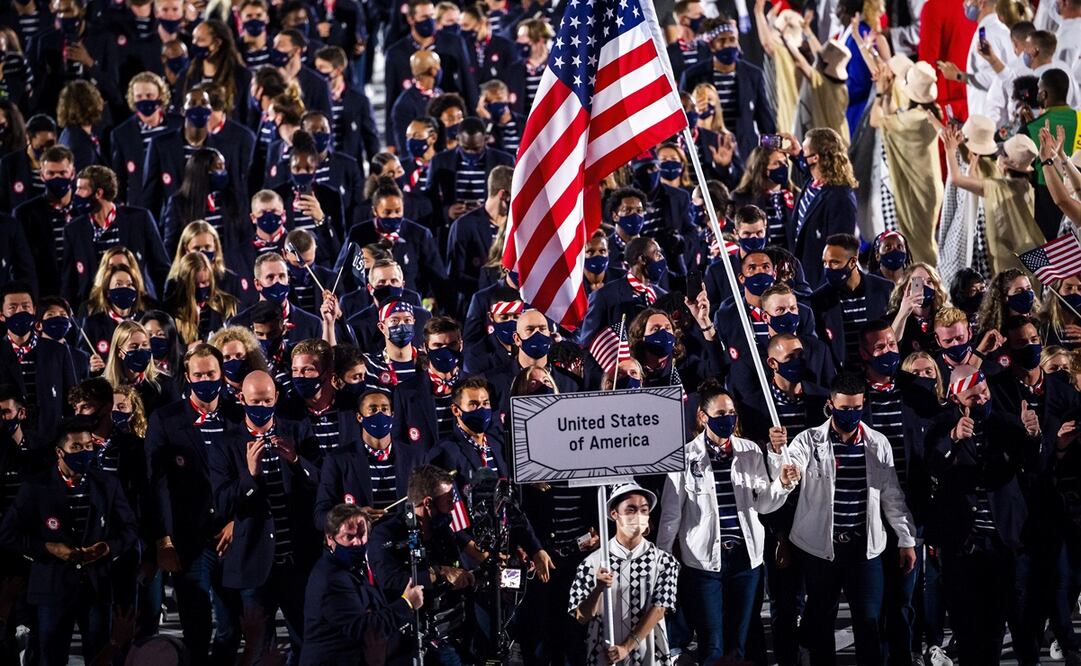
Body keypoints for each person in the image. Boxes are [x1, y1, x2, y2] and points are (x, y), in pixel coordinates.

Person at [765, 371, 917, 664]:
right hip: (820, 550)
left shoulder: (878, 443)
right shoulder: (808, 441)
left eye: (857, 408)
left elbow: (892, 495)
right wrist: (783, 471)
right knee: (821, 621)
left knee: (870, 623)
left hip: (864, 549)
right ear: (830, 404)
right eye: (845, 408)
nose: (851, 414)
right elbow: (786, 469)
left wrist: (906, 539)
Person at [658, 379, 798, 662]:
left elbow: (763, 503)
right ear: (702, 416)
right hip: (703, 563)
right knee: (712, 643)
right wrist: (662, 560)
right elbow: (671, 514)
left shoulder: (750, 451)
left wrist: (781, 484)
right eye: (721, 414)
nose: (728, 419)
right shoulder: (685, 457)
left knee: (739, 641)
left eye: (731, 413)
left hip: (746, 562)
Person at [0, 416, 137, 666]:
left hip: (96, 587)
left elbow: (128, 529)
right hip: (52, 589)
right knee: (50, 657)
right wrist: (47, 548)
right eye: (76, 447)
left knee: (99, 655)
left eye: (88, 447)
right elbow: (8, 533)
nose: (84, 453)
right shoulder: (37, 486)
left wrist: (107, 548)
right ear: (59, 452)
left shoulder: (107, 483)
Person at [569, 483, 680, 665]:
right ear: (614, 514)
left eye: (644, 510)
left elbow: (660, 608)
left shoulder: (665, 562)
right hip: (603, 654)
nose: (638, 516)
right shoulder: (592, 563)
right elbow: (581, 616)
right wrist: (597, 590)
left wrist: (626, 647)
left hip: (649, 656)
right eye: (631, 509)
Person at [301, 504, 424, 666]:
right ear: (330, 538)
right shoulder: (332, 578)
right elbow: (367, 629)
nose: (358, 542)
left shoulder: (357, 565)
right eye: (348, 537)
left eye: (361, 534)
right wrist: (407, 603)